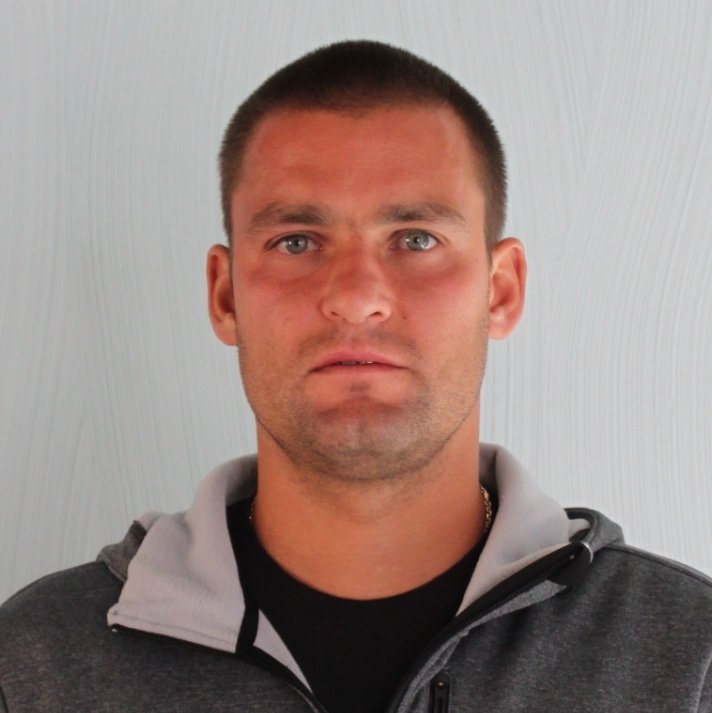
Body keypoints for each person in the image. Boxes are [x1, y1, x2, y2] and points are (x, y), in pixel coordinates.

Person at [1, 39, 710, 713]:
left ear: (500, 291)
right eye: (297, 241)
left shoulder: (688, 659)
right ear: (225, 296)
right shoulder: (37, 664)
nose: (356, 296)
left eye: (416, 239)